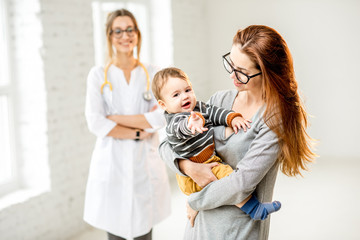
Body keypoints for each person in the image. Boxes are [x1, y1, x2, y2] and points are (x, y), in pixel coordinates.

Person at [159, 25, 316, 239]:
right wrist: (188, 167)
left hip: (237, 231)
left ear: (267, 74)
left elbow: (241, 184)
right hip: (199, 226)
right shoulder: (219, 101)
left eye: (242, 72)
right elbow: (166, 143)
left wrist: (195, 201)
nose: (233, 75)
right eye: (231, 64)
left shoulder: (273, 120)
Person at [84, 9, 171, 240]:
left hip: (145, 162)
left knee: (144, 230)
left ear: (138, 33)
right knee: (116, 229)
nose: (125, 35)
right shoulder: (98, 75)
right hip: (112, 162)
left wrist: (115, 118)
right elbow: (95, 122)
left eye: (130, 29)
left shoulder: (154, 73)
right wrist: (136, 133)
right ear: (109, 35)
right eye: (118, 30)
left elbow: (163, 115)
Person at [152, 67, 281, 221]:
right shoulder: (174, 121)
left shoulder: (199, 108)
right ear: (163, 105)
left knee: (227, 180)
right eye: (176, 95)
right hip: (192, 174)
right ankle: (254, 209)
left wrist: (232, 118)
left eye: (188, 90)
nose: (185, 96)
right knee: (227, 175)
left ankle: (201, 202)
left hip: (209, 161)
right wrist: (190, 125)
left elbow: (215, 113)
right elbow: (178, 131)